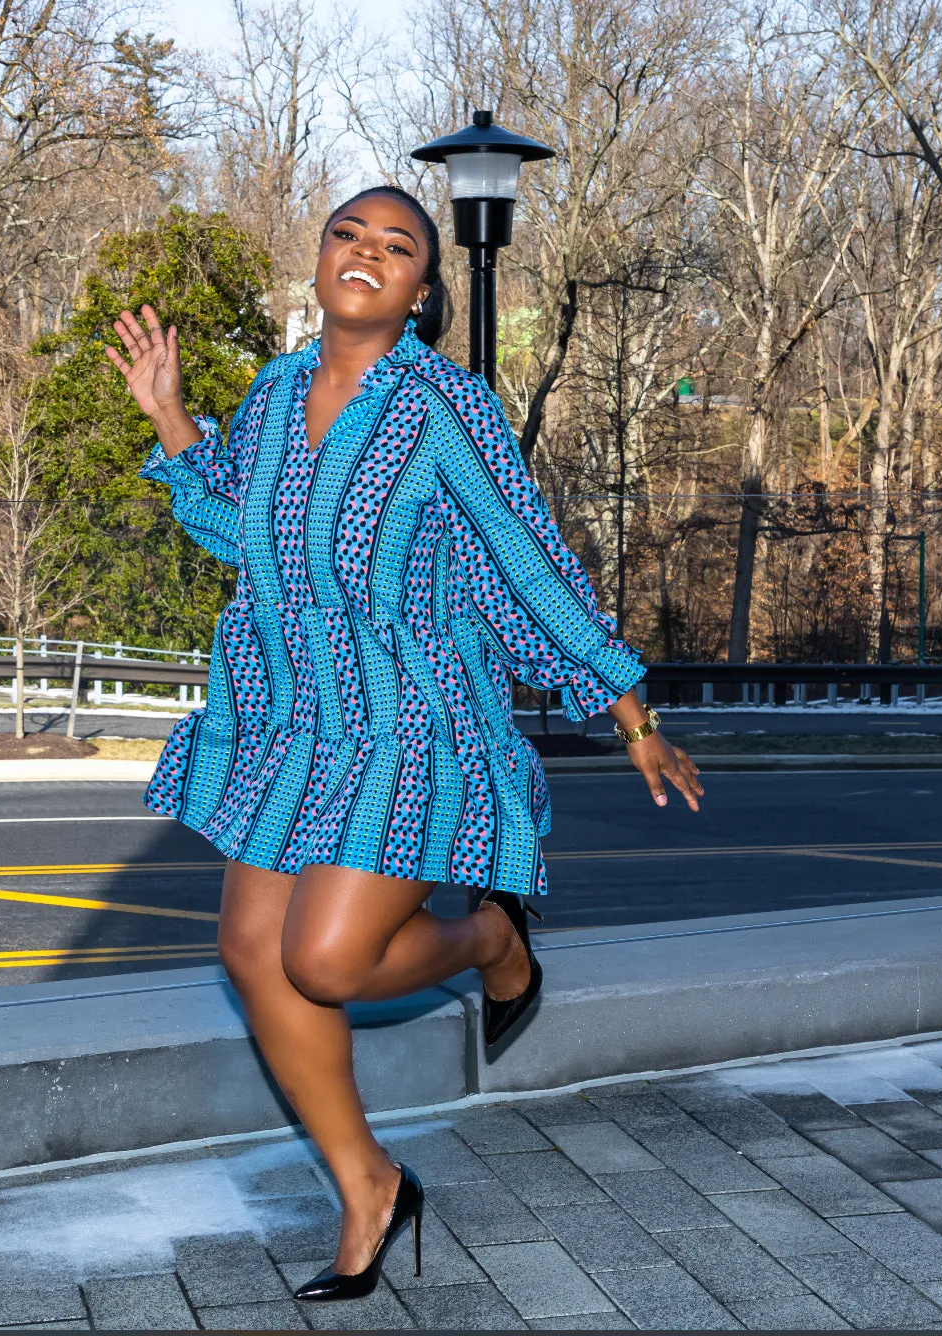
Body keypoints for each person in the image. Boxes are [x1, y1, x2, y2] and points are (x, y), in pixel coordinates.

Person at [106, 185, 703, 1302]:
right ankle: (368, 1184)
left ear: (424, 292)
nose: (366, 254)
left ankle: (488, 937)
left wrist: (632, 711)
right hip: (288, 718)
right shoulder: (278, 394)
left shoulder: (443, 410)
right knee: (252, 954)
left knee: (324, 960)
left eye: (398, 246)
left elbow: (527, 563)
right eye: (349, 234)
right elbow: (248, 533)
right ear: (321, 257)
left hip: (404, 721)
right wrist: (173, 419)